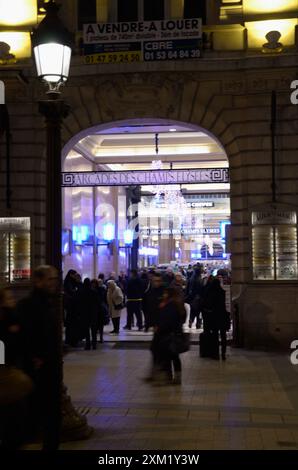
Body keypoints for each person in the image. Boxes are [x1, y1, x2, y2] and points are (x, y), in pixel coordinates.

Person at [18, 265, 63, 450]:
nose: (54, 283)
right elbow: (23, 337)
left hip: (50, 369)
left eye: (55, 279)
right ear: (38, 281)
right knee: (35, 416)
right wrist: (34, 358)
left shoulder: (49, 303)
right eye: (50, 279)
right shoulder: (28, 305)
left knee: (49, 416)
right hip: (37, 370)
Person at [153, 287, 187, 385]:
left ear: (170, 294)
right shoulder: (178, 304)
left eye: (165, 293)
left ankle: (170, 377)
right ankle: (176, 377)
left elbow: (168, 320)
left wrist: (159, 328)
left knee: (169, 356)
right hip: (175, 334)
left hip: (169, 335)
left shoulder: (171, 305)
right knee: (174, 357)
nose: (163, 295)